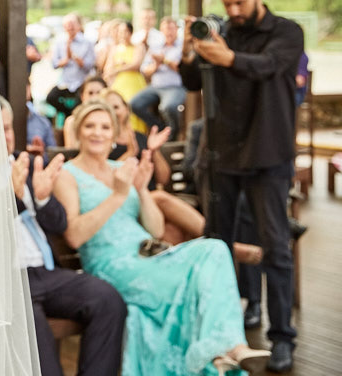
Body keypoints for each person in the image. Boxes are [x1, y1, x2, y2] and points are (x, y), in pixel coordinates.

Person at [53, 100, 270, 376]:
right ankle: (215, 356)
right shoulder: (68, 175)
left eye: (105, 127)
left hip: (150, 254)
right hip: (112, 265)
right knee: (195, 284)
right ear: (79, 131)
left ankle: (231, 347)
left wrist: (141, 191)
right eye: (90, 126)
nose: (97, 133)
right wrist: (119, 195)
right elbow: (73, 236)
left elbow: (155, 230)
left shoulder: (119, 169)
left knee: (215, 249)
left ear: (114, 133)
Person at [180, 0, 304, 373]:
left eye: (240, 3)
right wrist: (192, 50)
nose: (232, 11)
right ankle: (222, 329)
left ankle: (282, 336)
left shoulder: (287, 32)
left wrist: (227, 57)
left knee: (276, 248)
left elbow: (267, 66)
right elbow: (192, 81)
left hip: (268, 155)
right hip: (223, 155)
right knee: (219, 245)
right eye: (227, 4)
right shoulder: (223, 34)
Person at [1, 99, 126, 376]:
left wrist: (44, 198)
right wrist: (15, 198)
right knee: (31, 325)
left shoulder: (29, 164)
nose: (4, 136)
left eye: (7, 128)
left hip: (47, 272)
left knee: (107, 299)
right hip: (8, 279)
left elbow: (59, 225)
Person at [130, 17, 186, 140]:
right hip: (155, 86)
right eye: (165, 29)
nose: (168, 32)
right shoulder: (156, 46)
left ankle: (173, 134)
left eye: (171, 28)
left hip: (175, 87)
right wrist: (156, 65)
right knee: (134, 104)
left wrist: (164, 60)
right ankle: (161, 128)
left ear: (176, 29)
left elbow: (182, 68)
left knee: (168, 107)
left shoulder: (183, 46)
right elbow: (145, 70)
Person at [46, 13, 96, 120]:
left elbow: (89, 66)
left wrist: (74, 57)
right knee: (51, 97)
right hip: (65, 83)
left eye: (72, 24)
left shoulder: (87, 43)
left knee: (81, 102)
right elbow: (54, 64)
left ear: (79, 25)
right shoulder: (60, 42)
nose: (70, 27)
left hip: (80, 83)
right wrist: (65, 60)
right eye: (67, 24)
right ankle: (69, 115)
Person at [104, 20, 147, 135]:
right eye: (120, 31)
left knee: (132, 107)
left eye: (125, 31)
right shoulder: (115, 48)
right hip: (118, 84)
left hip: (134, 83)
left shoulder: (138, 46)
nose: (122, 34)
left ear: (130, 32)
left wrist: (118, 68)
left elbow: (136, 64)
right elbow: (108, 69)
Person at [62, 75, 106, 147]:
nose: (94, 97)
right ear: (82, 96)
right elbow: (71, 152)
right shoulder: (72, 122)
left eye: (99, 93)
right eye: (90, 93)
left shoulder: (112, 120)